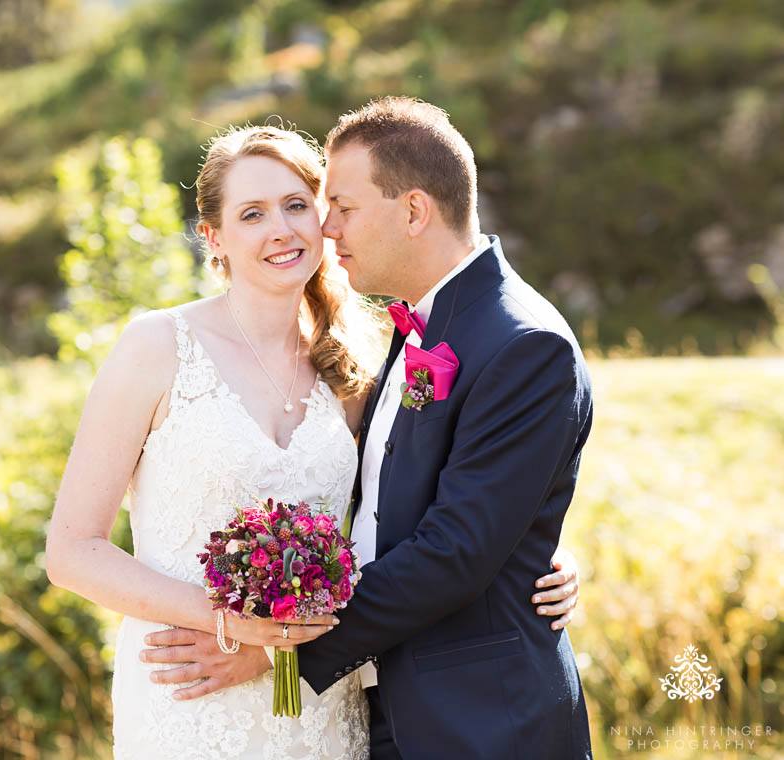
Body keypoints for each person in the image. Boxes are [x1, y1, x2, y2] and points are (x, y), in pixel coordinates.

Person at [46, 122, 581, 760]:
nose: (286, 229)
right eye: (252, 214)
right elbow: (72, 551)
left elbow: (431, 505)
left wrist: (532, 548)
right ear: (213, 237)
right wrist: (229, 624)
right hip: (194, 685)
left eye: (300, 204)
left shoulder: (352, 364)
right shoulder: (156, 348)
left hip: (328, 700)